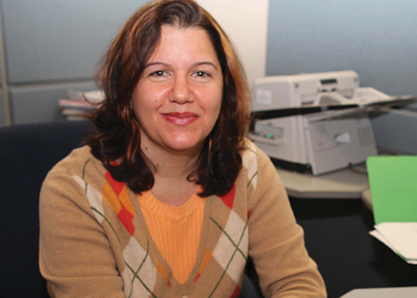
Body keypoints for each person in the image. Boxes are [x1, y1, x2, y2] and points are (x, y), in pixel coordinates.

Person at [39, 0, 327, 297]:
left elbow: (296, 284)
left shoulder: (249, 168)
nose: (181, 93)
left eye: (201, 74)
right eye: (159, 73)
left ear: (224, 89)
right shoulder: (75, 189)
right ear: (127, 91)